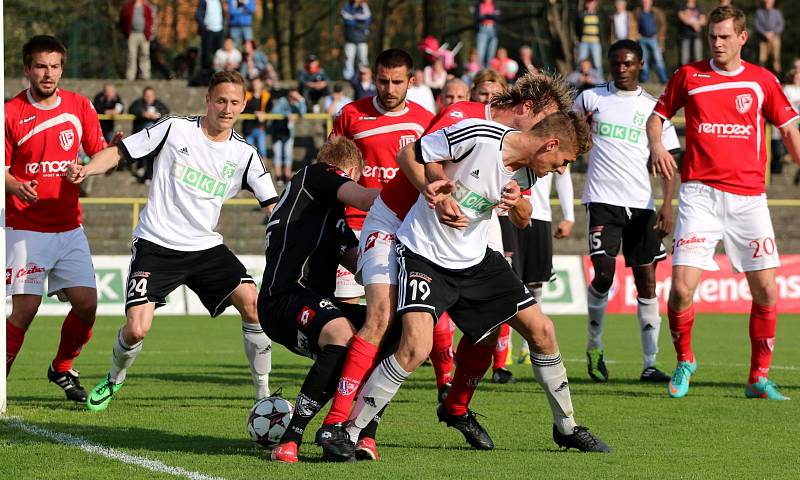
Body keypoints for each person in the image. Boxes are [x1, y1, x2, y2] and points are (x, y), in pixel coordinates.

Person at [318, 73, 572, 459]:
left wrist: (518, 200)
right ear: (527, 109)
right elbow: (422, 157)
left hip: (463, 237)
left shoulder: (525, 152)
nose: (546, 131)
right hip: (398, 223)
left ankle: (454, 407)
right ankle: (340, 424)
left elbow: (518, 209)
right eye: (543, 121)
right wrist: (435, 193)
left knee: (487, 331)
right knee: (385, 320)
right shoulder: (463, 115)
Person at [68, 71, 279, 411]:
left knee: (253, 304)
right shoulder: (174, 128)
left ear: (244, 106)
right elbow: (120, 152)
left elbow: (273, 207)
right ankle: (114, 378)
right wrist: (86, 169)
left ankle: (263, 396)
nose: (227, 109)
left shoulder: (245, 155)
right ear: (208, 99)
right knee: (136, 330)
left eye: (235, 103)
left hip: (206, 248)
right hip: (156, 244)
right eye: (221, 100)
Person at [647, 5, 800, 400]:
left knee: (767, 291)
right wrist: (656, 145)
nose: (717, 42)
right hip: (699, 195)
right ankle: (685, 361)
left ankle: (758, 378)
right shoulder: (688, 76)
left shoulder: (761, 80)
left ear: (742, 38)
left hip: (749, 199)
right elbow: (657, 115)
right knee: (680, 289)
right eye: (712, 36)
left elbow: (789, 129)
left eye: (725, 36)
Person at [314, 49, 433, 461]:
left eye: (397, 81)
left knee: (393, 335)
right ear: (374, 78)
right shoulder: (350, 114)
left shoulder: (424, 120)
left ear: (410, 81)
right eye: (382, 80)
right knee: (353, 330)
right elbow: (330, 169)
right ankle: (333, 419)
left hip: (404, 231)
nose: (389, 88)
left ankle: (363, 428)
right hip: (358, 228)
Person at [260, 137, 384, 463]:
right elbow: (366, 198)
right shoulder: (314, 175)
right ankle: (293, 438)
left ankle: (358, 434)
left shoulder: (331, 218)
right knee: (341, 335)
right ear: (351, 171)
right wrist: (418, 189)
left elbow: (361, 264)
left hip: (309, 302)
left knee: (383, 331)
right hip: (285, 297)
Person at [5, 35, 108, 403]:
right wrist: (15, 185)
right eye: (40, 66)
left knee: (87, 304)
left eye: (54, 66)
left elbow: (101, 154)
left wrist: (88, 169)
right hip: (25, 228)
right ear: (27, 69)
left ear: (62, 68)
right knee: (26, 309)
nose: (47, 74)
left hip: (69, 226)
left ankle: (62, 367)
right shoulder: (10, 112)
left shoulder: (79, 106)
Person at [575, 40, 679, 383]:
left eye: (628, 63)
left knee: (647, 283)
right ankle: (594, 346)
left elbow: (668, 163)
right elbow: (567, 133)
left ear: (640, 65)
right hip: (603, 201)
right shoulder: (590, 99)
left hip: (643, 206)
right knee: (604, 275)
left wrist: (666, 204)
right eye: (616, 63)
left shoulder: (655, 109)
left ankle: (650, 362)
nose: (622, 68)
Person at [128, 86, 170, 182]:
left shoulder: (159, 104)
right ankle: (140, 169)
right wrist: (143, 114)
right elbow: (132, 109)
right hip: (140, 134)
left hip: (155, 138)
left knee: (152, 156)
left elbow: (166, 112)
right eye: (147, 95)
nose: (149, 97)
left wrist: (157, 115)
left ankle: (149, 175)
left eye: (151, 95)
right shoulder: (138, 103)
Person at [269, 89, 307, 185]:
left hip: (288, 133)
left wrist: (301, 100)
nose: (293, 99)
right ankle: (278, 177)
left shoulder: (297, 103)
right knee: (277, 155)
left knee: (288, 155)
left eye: (295, 97)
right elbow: (275, 111)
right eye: (292, 97)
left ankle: (287, 177)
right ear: (288, 96)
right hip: (277, 132)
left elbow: (303, 113)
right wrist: (287, 114)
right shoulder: (282, 101)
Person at [119, 0, 154, 81]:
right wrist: (125, 32)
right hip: (132, 34)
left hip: (144, 35)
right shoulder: (127, 7)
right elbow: (122, 20)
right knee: (131, 56)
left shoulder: (146, 8)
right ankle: (130, 76)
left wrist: (149, 33)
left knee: (145, 55)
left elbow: (150, 20)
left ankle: (145, 75)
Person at [636, 0, 668, 84]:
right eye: (644, 1)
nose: (645, 2)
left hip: (654, 39)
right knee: (644, 60)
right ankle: (645, 79)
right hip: (642, 39)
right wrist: (636, 34)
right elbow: (633, 24)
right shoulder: (638, 12)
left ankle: (663, 79)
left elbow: (663, 25)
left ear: (651, 2)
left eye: (647, 1)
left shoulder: (656, 12)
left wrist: (659, 35)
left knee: (658, 59)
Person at [242, 77, 272, 160]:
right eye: (254, 83)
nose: (255, 85)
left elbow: (269, 109)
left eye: (257, 83)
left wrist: (264, 114)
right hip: (249, 128)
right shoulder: (247, 96)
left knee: (262, 151)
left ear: (261, 84)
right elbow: (243, 109)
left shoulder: (266, 96)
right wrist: (255, 113)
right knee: (248, 152)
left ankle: (263, 170)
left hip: (261, 127)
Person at [341, 0, 372, 81]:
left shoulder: (364, 6)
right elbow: (347, 20)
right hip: (350, 38)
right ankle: (348, 78)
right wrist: (359, 23)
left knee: (363, 59)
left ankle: (364, 78)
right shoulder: (347, 5)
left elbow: (367, 20)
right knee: (348, 59)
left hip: (362, 39)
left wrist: (353, 19)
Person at [754, 0, 784, 74]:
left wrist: (772, 33)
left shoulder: (777, 12)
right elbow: (756, 25)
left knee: (776, 58)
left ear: (773, 2)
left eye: (769, 1)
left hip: (775, 38)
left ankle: (778, 76)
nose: (767, 2)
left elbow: (781, 25)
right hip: (763, 39)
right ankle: (761, 75)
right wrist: (764, 33)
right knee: (762, 59)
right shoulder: (759, 12)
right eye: (766, 1)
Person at [577, 0, 603, 79]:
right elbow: (577, 27)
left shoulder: (599, 15)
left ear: (595, 3)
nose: (590, 4)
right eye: (589, 2)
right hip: (584, 42)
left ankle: (599, 81)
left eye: (592, 2)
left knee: (597, 63)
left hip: (596, 42)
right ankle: (579, 82)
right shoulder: (581, 15)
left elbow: (603, 28)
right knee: (581, 62)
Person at [196, 0, 225, 71]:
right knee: (207, 52)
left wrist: (223, 25)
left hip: (219, 29)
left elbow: (222, 13)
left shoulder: (219, 1)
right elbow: (198, 15)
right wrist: (204, 26)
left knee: (218, 52)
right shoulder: (204, 1)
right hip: (208, 31)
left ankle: (218, 71)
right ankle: (206, 72)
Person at [677, 0, 707, 65]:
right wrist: (694, 24)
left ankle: (698, 72)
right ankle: (684, 72)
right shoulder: (682, 7)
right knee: (685, 57)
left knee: (698, 56)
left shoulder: (699, 7)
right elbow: (682, 17)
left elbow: (704, 20)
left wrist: (697, 23)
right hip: (685, 35)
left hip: (697, 35)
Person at [475, 0, 499, 69]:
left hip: (493, 30)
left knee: (491, 53)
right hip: (482, 29)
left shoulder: (495, 4)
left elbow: (497, 17)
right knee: (480, 53)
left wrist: (486, 15)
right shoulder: (478, 4)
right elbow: (477, 17)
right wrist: (490, 16)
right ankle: (480, 71)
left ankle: (489, 71)